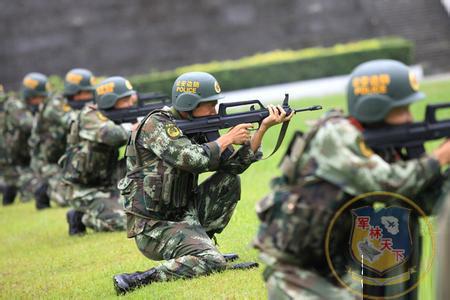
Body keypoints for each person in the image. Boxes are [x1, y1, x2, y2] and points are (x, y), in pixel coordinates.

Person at [253, 59, 450, 299]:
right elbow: (389, 184)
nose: (410, 118)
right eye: (402, 110)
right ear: (375, 108)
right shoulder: (335, 134)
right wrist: (440, 156)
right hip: (298, 276)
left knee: (400, 215)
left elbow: (424, 202)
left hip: (342, 271)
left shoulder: (381, 147)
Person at [113, 71, 292, 295]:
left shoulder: (196, 126)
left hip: (183, 214)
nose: (214, 110)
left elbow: (233, 167)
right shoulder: (156, 125)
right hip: (154, 226)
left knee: (229, 180)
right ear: (188, 104)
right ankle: (141, 278)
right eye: (208, 105)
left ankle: (203, 248)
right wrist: (227, 139)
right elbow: (192, 159)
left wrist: (263, 128)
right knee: (213, 262)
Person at [60, 76, 133, 235]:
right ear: (109, 100)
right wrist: (137, 128)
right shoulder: (89, 115)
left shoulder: (112, 117)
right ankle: (80, 217)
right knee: (122, 222)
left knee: (142, 215)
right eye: (125, 100)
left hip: (110, 183)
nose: (130, 104)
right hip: (84, 189)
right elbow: (111, 134)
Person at [43, 68, 96, 207]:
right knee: (65, 200)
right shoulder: (55, 105)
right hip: (49, 164)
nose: (91, 96)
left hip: (71, 161)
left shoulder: (85, 107)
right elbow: (71, 120)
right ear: (75, 93)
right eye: (87, 92)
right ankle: (43, 189)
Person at [2, 73, 43, 205]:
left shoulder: (17, 106)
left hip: (20, 158)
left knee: (25, 185)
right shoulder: (14, 106)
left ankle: (9, 188)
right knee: (33, 189)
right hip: (9, 159)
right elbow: (30, 125)